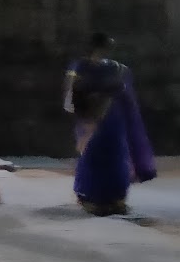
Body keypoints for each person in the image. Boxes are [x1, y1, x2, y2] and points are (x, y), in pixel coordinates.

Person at [65, 33, 157, 216]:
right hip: (95, 118)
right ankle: (96, 198)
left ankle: (113, 199)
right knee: (97, 157)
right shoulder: (83, 67)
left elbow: (71, 97)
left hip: (108, 119)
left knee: (112, 157)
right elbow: (72, 94)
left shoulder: (115, 68)